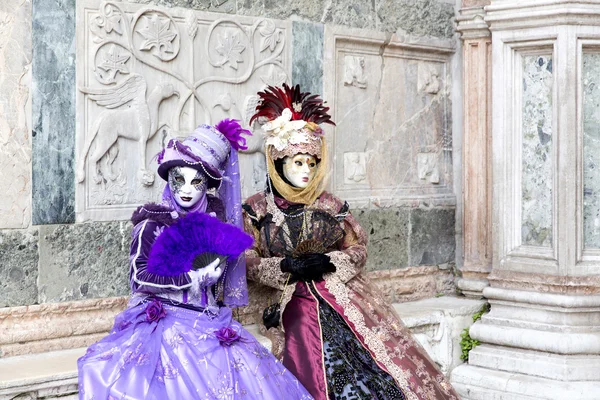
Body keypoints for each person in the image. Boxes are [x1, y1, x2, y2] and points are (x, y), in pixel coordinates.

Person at [242, 84, 460, 400]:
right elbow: (245, 259)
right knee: (309, 329)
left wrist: (329, 261)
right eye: (297, 162)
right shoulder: (257, 209)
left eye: (311, 163)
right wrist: (286, 265)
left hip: (342, 292)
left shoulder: (330, 205)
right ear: (277, 163)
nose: (306, 171)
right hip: (288, 297)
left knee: (374, 343)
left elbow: (357, 247)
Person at [77, 119, 313, 400]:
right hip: (165, 321)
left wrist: (213, 275)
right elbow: (138, 276)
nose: (186, 189)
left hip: (209, 319)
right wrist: (190, 278)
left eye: (195, 181)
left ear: (207, 186)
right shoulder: (152, 224)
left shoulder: (216, 227)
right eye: (179, 179)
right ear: (169, 178)